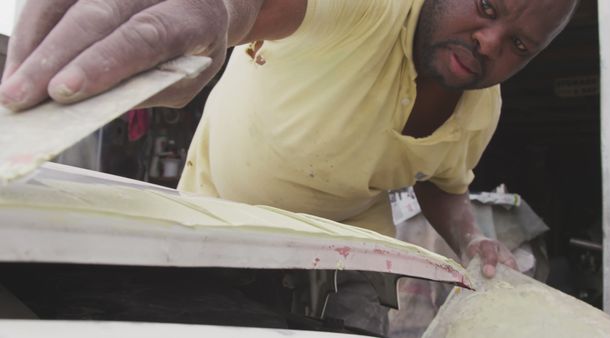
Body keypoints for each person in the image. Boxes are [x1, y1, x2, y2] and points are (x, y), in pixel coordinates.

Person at [0, 0, 579, 334]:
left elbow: (447, 183)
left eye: (520, 46)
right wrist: (218, 13)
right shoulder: (370, 9)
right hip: (216, 238)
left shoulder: (485, 105)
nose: (489, 42)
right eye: (485, 6)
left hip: (347, 262)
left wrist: (471, 238)